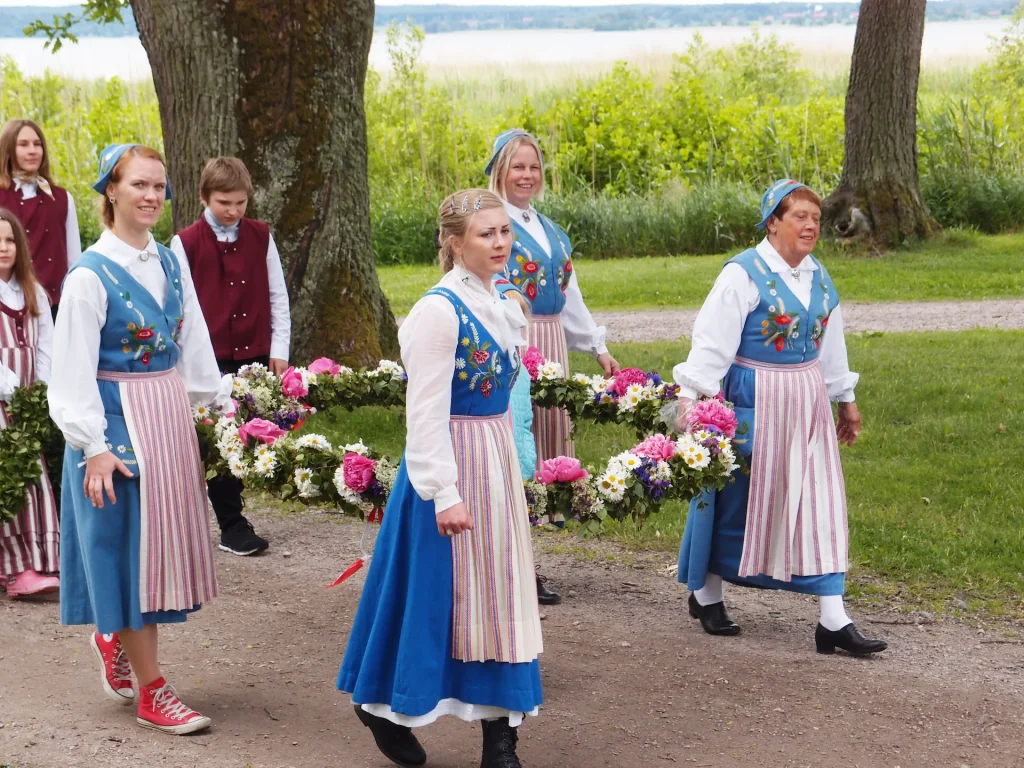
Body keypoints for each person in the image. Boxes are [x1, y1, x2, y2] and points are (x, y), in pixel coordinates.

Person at [338, 189, 543, 768]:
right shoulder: (437, 311)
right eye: (487, 234)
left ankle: (501, 737)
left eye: (505, 231)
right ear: (455, 244)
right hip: (447, 466)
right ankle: (382, 705)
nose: (501, 242)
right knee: (431, 598)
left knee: (500, 594)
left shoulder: (504, 298)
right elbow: (423, 413)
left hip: (494, 457)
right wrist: (444, 493)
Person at [50, 143, 230, 734]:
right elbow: (69, 371)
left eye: (159, 186)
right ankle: (153, 690)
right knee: (128, 553)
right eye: (139, 186)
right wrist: (92, 445)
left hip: (165, 411)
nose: (152, 196)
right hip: (112, 420)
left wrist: (218, 405)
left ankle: (116, 637)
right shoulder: (88, 277)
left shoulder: (170, 261)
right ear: (111, 191)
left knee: (155, 555)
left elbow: (192, 339)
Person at [673, 178, 886, 656]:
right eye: (799, 217)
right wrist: (692, 397)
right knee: (737, 496)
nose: (811, 226)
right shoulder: (742, 275)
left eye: (815, 218)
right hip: (755, 395)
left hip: (805, 401)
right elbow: (711, 342)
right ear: (773, 224)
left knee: (819, 498)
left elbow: (830, 344)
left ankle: (833, 619)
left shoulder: (818, 277)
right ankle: (707, 593)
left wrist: (844, 397)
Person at [486, 128, 618, 604]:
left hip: (551, 339)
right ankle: (512, 562)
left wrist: (596, 347)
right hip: (511, 338)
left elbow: (569, 296)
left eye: (534, 166)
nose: (527, 174)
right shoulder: (490, 223)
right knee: (516, 447)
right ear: (499, 169)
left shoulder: (552, 232)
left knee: (542, 448)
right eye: (518, 165)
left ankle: (524, 558)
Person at [170, 157, 287, 557]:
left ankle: (230, 509)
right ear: (204, 198)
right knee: (218, 442)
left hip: (254, 354)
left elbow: (277, 295)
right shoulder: (183, 243)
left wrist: (279, 349)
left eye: (240, 202)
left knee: (251, 436)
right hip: (209, 359)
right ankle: (231, 525)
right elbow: (180, 308)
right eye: (224, 202)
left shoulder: (261, 236)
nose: (234, 210)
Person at [0, 207, 59, 598]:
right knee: (8, 482)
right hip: (3, 398)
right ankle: (13, 569)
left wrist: (42, 392)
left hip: (26, 405)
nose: (3, 248)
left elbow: (47, 347)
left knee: (33, 481)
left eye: (9, 240)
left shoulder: (33, 292)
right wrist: (10, 389)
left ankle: (39, 561)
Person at [0, 119, 82, 320]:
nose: (32, 151)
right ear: (8, 149)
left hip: (55, 305)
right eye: (23, 144)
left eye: (37, 144)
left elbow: (74, 258)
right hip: (6, 305)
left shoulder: (62, 199)